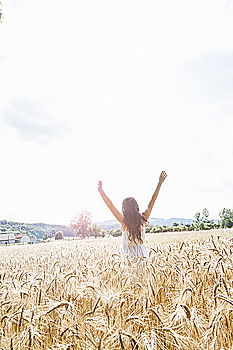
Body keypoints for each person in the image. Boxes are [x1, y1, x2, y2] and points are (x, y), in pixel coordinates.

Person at [98, 171, 167, 259]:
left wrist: (101, 191)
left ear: (124, 209)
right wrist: (160, 183)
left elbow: (110, 205)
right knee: (143, 273)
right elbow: (152, 201)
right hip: (142, 253)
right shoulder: (143, 218)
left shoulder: (124, 221)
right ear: (136, 207)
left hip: (128, 255)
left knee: (130, 273)